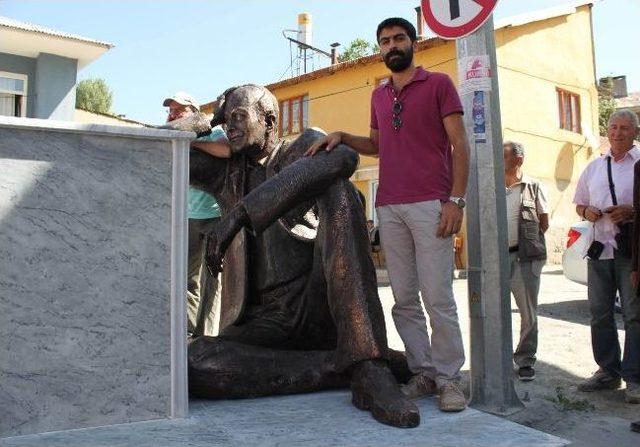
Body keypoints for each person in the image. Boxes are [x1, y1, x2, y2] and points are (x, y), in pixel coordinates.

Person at [182, 84, 419, 428]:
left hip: (317, 305)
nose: (229, 126)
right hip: (264, 326)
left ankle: (369, 368)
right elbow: (161, 148)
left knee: (340, 193)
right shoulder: (225, 173)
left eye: (238, 117)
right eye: (226, 118)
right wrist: (206, 118)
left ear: (269, 121)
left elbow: (343, 158)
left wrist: (239, 216)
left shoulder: (298, 150)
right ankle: (343, 365)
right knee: (193, 362)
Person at [307, 17, 470, 412]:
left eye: (399, 38)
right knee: (403, 300)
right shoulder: (379, 95)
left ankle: (450, 381)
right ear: (380, 49)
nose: (392, 45)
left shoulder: (439, 85)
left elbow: (460, 145)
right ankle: (424, 372)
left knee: (438, 298)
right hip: (389, 206)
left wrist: (456, 201)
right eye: (385, 41)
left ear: (413, 42)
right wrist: (343, 136)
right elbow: (377, 145)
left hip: (432, 203)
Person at [575, 109, 639, 404]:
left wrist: (633, 212)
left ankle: (635, 378)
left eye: (625, 128)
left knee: (634, 315)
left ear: (635, 132)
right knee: (600, 314)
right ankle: (607, 371)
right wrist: (587, 212)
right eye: (613, 127)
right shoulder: (594, 167)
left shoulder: (639, 163)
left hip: (632, 251)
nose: (617, 133)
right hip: (600, 249)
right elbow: (580, 205)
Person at [163, 92, 230, 336]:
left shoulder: (211, 132)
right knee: (187, 279)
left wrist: (192, 142)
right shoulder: (169, 138)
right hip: (187, 216)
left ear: (193, 111)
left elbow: (227, 150)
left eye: (179, 109)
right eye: (170, 111)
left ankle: (208, 334)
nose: (173, 114)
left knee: (213, 278)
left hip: (214, 215)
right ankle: (188, 334)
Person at [503, 141, 549, 381]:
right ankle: (498, 359)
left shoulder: (533, 186)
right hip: (498, 258)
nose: (498, 161)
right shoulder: (493, 187)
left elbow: (544, 222)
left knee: (528, 313)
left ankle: (525, 361)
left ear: (518, 160)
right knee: (494, 311)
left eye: (503, 156)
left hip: (526, 258)